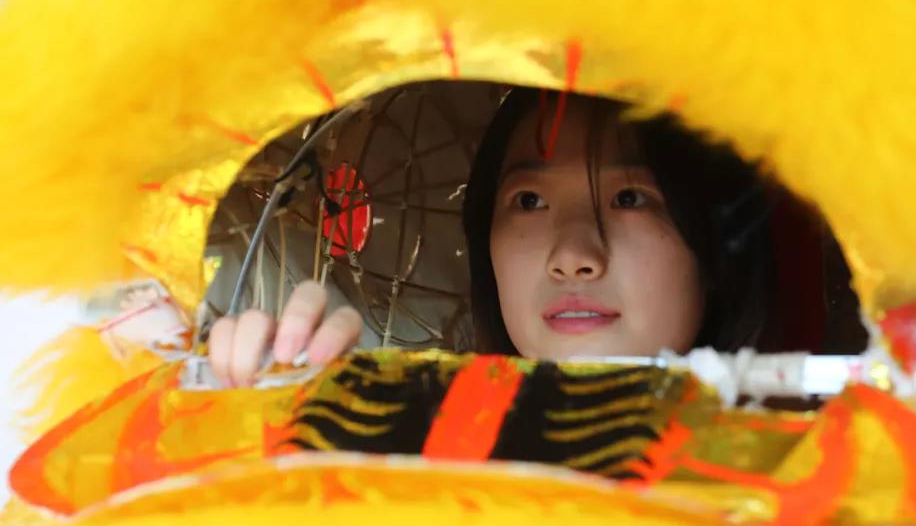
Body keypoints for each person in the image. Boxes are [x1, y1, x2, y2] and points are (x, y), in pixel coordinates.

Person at [208, 88, 776, 387]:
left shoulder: (806, 478)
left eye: (629, 198)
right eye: (529, 202)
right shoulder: (416, 473)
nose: (573, 256)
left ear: (714, 243)